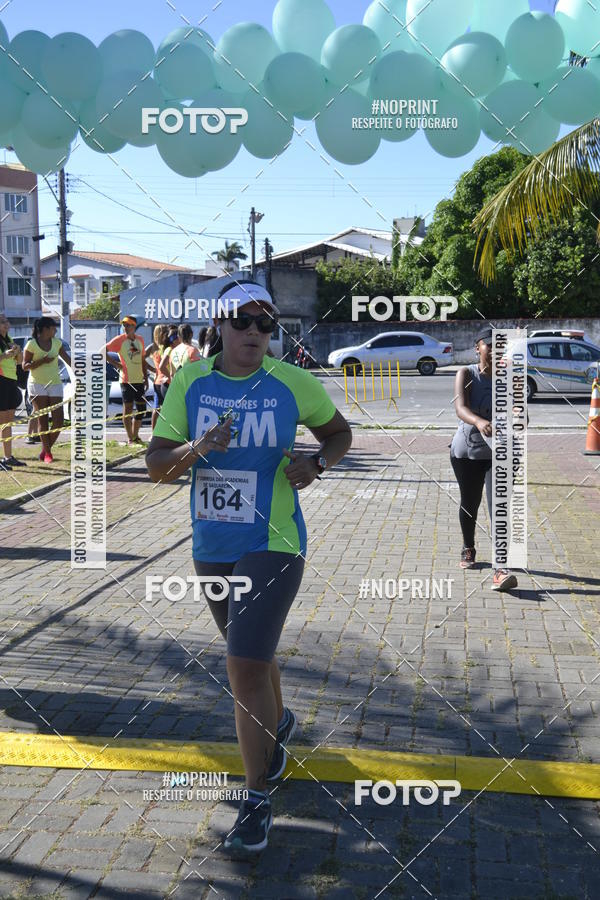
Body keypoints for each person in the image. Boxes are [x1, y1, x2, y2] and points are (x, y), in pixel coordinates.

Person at [146, 282, 352, 852]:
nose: (256, 334)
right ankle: (278, 728)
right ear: (221, 325)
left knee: (241, 667)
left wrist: (317, 463)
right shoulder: (191, 380)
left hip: (275, 540)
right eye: (243, 322)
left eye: (267, 325)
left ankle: (257, 795)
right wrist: (198, 449)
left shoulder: (291, 382)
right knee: (253, 660)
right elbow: (157, 467)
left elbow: (339, 433)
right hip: (212, 542)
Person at [450, 325, 518, 592]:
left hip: (501, 452)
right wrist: (479, 421)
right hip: (468, 451)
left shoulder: (510, 375)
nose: (495, 350)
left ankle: (501, 569)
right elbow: (460, 407)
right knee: (470, 503)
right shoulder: (466, 373)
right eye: (490, 344)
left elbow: (519, 408)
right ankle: (468, 547)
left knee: (499, 506)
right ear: (478, 347)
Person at [22, 317, 71, 464]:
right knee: (43, 418)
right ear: (45, 329)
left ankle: (45, 449)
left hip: (55, 383)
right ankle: (48, 453)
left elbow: (69, 361)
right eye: (53, 327)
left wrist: (83, 370)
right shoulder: (31, 344)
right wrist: (42, 361)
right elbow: (24, 365)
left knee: (59, 421)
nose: (55, 330)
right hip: (37, 384)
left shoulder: (57, 343)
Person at [105, 316, 148, 446]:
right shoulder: (119, 340)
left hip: (139, 380)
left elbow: (142, 360)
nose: (125, 327)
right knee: (128, 408)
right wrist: (115, 364)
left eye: (128, 325)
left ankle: (135, 436)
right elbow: (103, 351)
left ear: (134, 327)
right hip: (126, 380)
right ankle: (130, 438)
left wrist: (145, 377)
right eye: (124, 325)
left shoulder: (140, 339)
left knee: (141, 408)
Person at [0, 315, 25, 470]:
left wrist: (18, 351)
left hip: (11, 382)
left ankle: (8, 457)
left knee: (8, 423)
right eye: (2, 322)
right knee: (2, 423)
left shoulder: (9, 340)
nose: (6, 324)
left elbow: (19, 362)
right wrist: (5, 355)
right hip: (1, 381)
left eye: (7, 321)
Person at [149, 325, 169, 430]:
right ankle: (155, 432)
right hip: (163, 381)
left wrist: (152, 369)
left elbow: (143, 359)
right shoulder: (162, 348)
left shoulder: (154, 347)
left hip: (158, 380)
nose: (167, 332)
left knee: (158, 408)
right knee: (160, 409)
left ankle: (155, 432)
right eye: (165, 331)